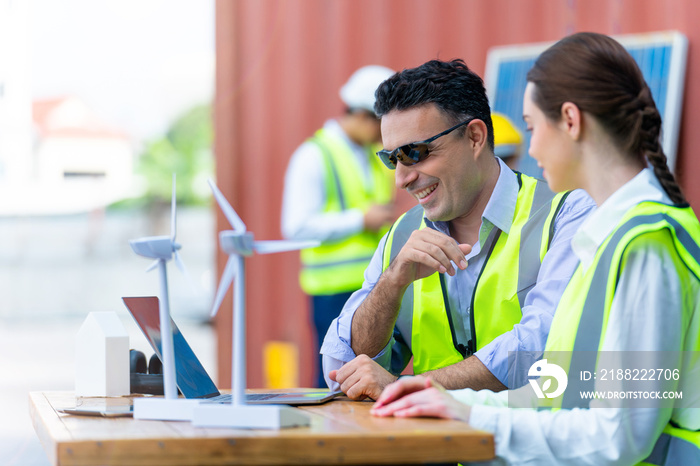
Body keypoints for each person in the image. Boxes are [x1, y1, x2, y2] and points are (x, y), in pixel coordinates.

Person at [371, 32, 700, 465]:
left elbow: (621, 435)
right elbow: (559, 394)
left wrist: (474, 420)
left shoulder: (645, 246)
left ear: (570, 120)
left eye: (531, 127)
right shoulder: (610, 239)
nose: (530, 148)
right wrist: (451, 404)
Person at [321, 59, 596, 400]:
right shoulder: (403, 235)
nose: (401, 179)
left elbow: (542, 346)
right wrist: (392, 283)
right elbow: (340, 369)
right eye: (393, 159)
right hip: (437, 448)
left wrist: (412, 387)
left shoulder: (565, 214)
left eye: (415, 153)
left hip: (527, 449)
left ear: (475, 137)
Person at [281, 65, 397, 388]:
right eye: (381, 123)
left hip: (371, 289)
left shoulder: (371, 155)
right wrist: (361, 220)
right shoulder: (313, 156)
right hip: (332, 291)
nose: (385, 132)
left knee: (367, 382)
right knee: (332, 383)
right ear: (362, 115)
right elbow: (296, 226)